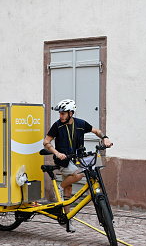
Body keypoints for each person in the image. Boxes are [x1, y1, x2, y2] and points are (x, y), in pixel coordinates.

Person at [42, 99, 112, 233]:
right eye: (60, 113)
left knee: (69, 190)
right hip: (63, 161)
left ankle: (67, 219)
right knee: (78, 175)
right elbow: (46, 141)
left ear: (71, 113)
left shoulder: (80, 124)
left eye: (63, 113)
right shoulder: (57, 126)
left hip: (77, 159)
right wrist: (57, 153)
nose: (60, 116)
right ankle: (60, 186)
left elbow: (96, 131)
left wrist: (105, 138)